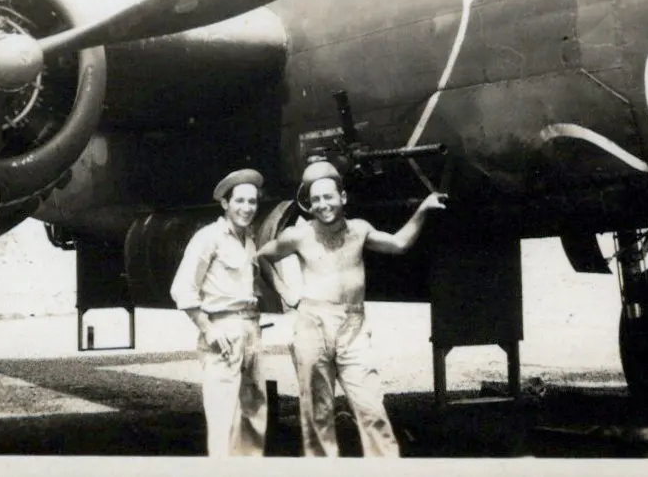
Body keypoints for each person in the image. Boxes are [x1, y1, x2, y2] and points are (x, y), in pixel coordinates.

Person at [257, 161, 446, 457]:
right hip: (312, 325)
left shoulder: (360, 231)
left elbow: (398, 243)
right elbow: (263, 256)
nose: (322, 204)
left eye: (328, 197)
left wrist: (422, 209)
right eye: (316, 199)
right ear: (309, 204)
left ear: (342, 198)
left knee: (371, 409)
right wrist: (287, 294)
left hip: (353, 327)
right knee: (318, 414)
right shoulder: (299, 235)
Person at [169, 168, 269, 457]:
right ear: (225, 204)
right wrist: (208, 329)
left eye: (252, 202)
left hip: (251, 330)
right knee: (224, 416)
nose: (247, 208)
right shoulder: (208, 237)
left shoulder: (248, 241)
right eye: (239, 201)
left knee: (253, 412)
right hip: (222, 331)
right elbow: (182, 288)